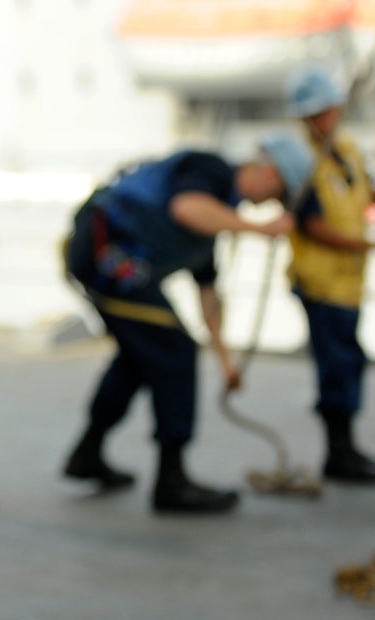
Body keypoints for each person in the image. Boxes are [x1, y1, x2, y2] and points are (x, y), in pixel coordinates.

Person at [62, 135, 314, 513]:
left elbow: (208, 295)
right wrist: (259, 230)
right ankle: (172, 481)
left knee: (138, 358)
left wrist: (226, 361)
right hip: (106, 259)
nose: (273, 201)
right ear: (270, 171)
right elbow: (186, 208)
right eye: (279, 190)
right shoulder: (209, 170)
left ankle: (88, 453)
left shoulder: (220, 213)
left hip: (119, 268)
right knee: (174, 350)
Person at [285, 65, 375, 484]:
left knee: (350, 361)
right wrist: (374, 246)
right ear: (306, 116)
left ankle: (347, 448)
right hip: (321, 282)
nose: (328, 118)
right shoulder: (299, 161)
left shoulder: (347, 148)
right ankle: (339, 454)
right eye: (319, 112)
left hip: (349, 282)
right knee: (338, 364)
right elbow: (313, 224)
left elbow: (359, 192)